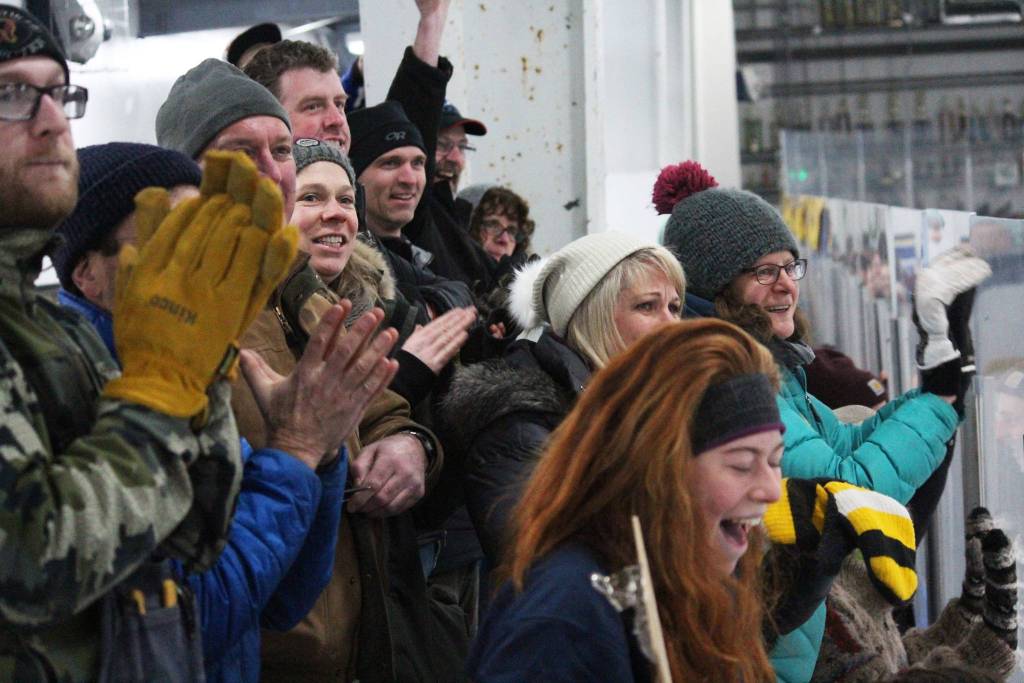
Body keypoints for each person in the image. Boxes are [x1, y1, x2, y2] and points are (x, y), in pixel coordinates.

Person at [0, 6, 293, 678]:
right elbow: (29, 562)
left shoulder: (59, 328)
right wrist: (161, 390)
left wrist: (201, 364)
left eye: (58, 92)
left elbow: (191, 536)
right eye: (12, 95)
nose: (51, 121)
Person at [51, 142, 400, 682]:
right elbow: (194, 618)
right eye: (174, 240)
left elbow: (285, 600)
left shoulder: (201, 364)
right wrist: (295, 451)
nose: (205, 260)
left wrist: (321, 453)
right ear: (87, 274)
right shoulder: (74, 400)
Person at [655, 159, 986, 682]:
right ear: (716, 287)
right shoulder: (725, 378)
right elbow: (846, 486)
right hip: (755, 657)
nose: (787, 285)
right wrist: (941, 397)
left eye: (791, 267)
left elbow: (849, 445)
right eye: (765, 272)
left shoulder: (772, 369)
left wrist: (937, 384)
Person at [229, 138, 471, 683]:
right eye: (312, 197)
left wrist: (413, 446)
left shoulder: (356, 309)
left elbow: (391, 418)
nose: (336, 211)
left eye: (344, 198)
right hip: (285, 639)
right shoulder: (237, 315)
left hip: (373, 623)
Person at [467, 318, 784, 681]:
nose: (771, 489)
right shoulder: (566, 612)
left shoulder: (691, 577)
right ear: (658, 469)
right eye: (742, 464)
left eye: (775, 460)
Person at [442, 231, 684, 565]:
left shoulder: (643, 406)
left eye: (674, 307)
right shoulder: (520, 424)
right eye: (647, 306)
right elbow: (544, 565)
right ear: (590, 314)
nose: (671, 325)